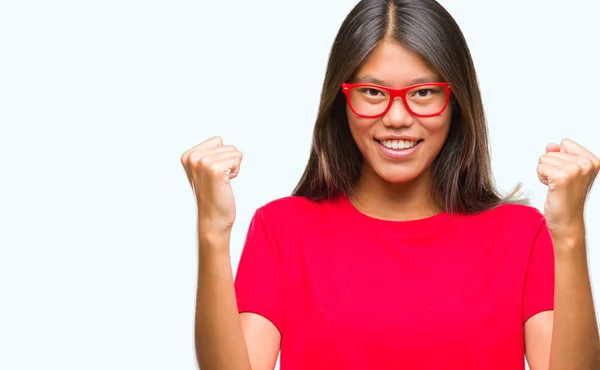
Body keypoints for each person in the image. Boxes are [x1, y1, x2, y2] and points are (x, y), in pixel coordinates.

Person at [181, 0, 600, 369]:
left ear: (455, 100)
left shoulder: (521, 235)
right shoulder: (283, 229)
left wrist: (569, 234)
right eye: (372, 92)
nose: (397, 117)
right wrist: (212, 231)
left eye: (422, 92)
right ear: (342, 98)